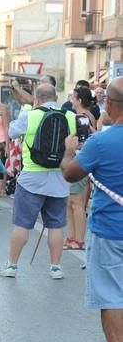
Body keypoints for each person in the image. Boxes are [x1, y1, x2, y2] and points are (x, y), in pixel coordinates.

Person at [61, 76, 123, 342]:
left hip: (111, 229)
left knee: (111, 294)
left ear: (110, 105)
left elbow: (71, 175)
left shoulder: (101, 141)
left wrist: (70, 151)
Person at [0, 83, 76, 280]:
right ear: (56, 97)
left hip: (32, 177)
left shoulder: (31, 115)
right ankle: (56, 268)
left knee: (22, 224)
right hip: (59, 177)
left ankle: (12, 266)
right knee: (56, 226)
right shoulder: (70, 116)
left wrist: (32, 110)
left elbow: (11, 132)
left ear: (37, 99)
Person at [64, 87, 97, 250]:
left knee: (76, 202)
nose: (71, 100)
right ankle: (71, 237)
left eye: (73, 97)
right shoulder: (81, 116)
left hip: (79, 159)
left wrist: (70, 141)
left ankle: (78, 239)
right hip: (77, 158)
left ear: (79, 100)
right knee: (70, 202)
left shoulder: (83, 117)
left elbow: (90, 138)